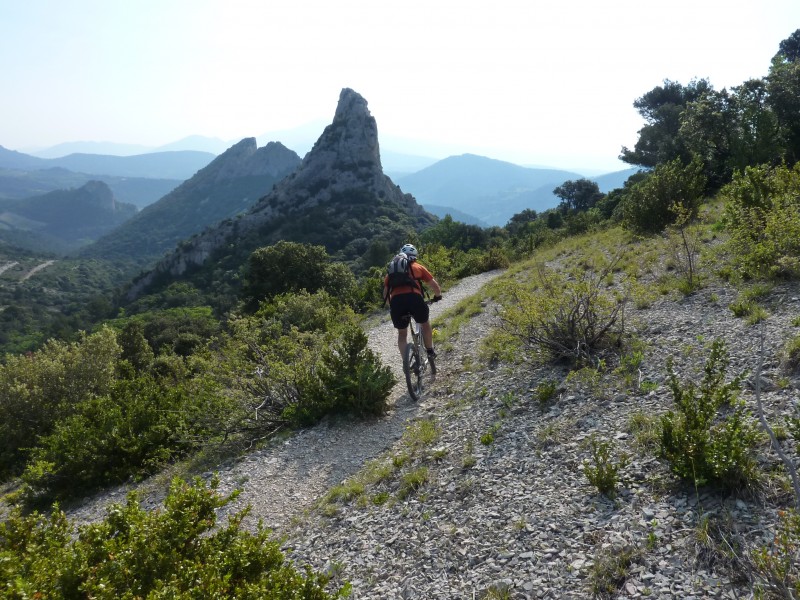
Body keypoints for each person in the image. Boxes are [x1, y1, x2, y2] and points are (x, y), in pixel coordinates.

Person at [384, 243, 442, 370]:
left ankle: (406, 363)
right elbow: (434, 286)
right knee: (425, 324)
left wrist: (392, 306)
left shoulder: (391, 272)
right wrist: (438, 296)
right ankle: (430, 351)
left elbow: (385, 294)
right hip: (414, 299)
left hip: (397, 302)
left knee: (402, 334)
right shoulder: (417, 267)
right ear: (414, 256)